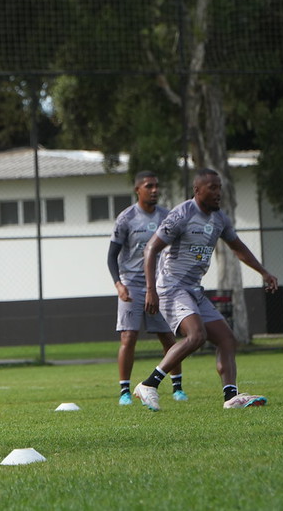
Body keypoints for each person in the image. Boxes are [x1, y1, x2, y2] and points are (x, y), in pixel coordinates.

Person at [134, 168, 278, 411]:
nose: (218, 192)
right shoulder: (182, 215)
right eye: (212, 187)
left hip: (193, 289)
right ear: (197, 190)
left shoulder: (220, 218)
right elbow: (151, 249)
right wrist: (151, 290)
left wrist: (263, 272)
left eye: (219, 187)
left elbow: (238, 247)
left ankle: (230, 397)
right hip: (171, 287)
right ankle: (149, 384)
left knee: (227, 339)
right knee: (196, 335)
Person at [107, 171, 186, 406]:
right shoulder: (126, 218)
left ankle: (178, 388)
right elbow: (111, 256)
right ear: (137, 190)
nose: (154, 190)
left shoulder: (167, 217)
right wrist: (119, 284)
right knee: (128, 336)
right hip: (131, 286)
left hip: (161, 286)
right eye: (149, 186)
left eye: (156, 186)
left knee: (168, 336)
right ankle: (124, 392)